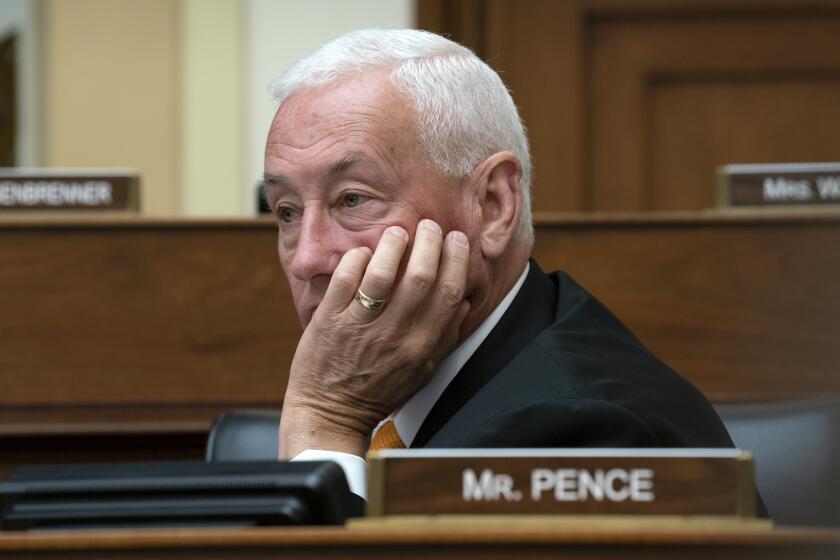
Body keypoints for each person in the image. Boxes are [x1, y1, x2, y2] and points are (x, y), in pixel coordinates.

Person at [262, 29, 735, 500]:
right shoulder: (397, 388)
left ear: (492, 205)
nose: (307, 259)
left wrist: (326, 420)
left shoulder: (583, 428)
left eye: (353, 199)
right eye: (287, 211)